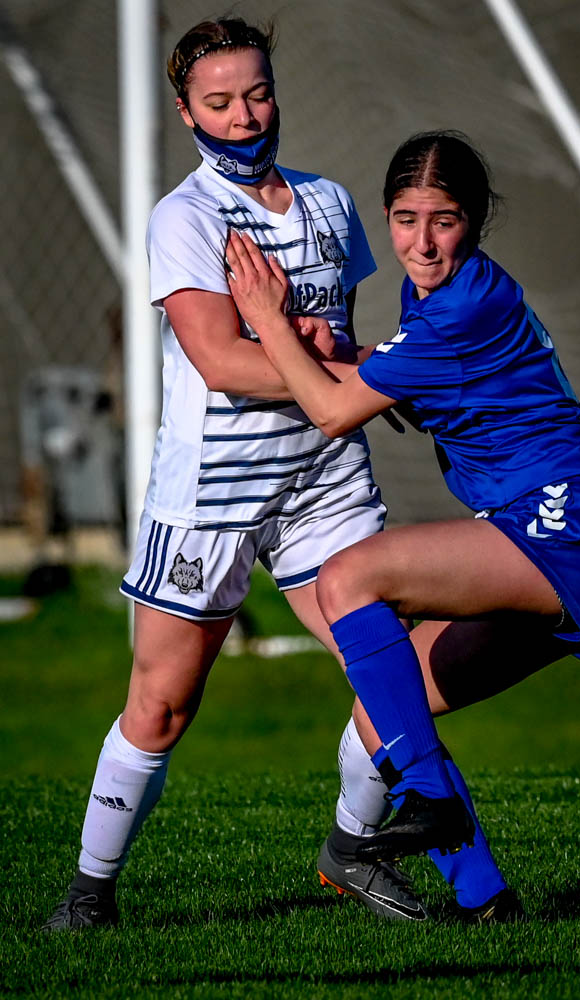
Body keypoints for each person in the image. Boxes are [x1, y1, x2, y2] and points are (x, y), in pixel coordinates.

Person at [43, 15, 428, 930]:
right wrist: (345, 370)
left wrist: (357, 362)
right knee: (163, 704)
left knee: (395, 671)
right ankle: (89, 895)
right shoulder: (184, 218)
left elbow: (338, 340)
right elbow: (221, 360)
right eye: (219, 101)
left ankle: (353, 849)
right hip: (214, 489)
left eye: (257, 93)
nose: (245, 115)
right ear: (187, 112)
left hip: (325, 477)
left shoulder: (330, 202)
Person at [225, 130, 580, 867]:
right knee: (386, 708)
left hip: (560, 527)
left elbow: (332, 412)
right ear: (387, 215)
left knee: (347, 578)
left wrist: (269, 320)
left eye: (443, 220)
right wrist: (342, 353)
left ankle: (429, 798)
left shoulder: (460, 307)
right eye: (406, 219)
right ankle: (486, 904)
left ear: (473, 221)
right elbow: (416, 383)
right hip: (548, 532)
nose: (422, 241)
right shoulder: (443, 297)